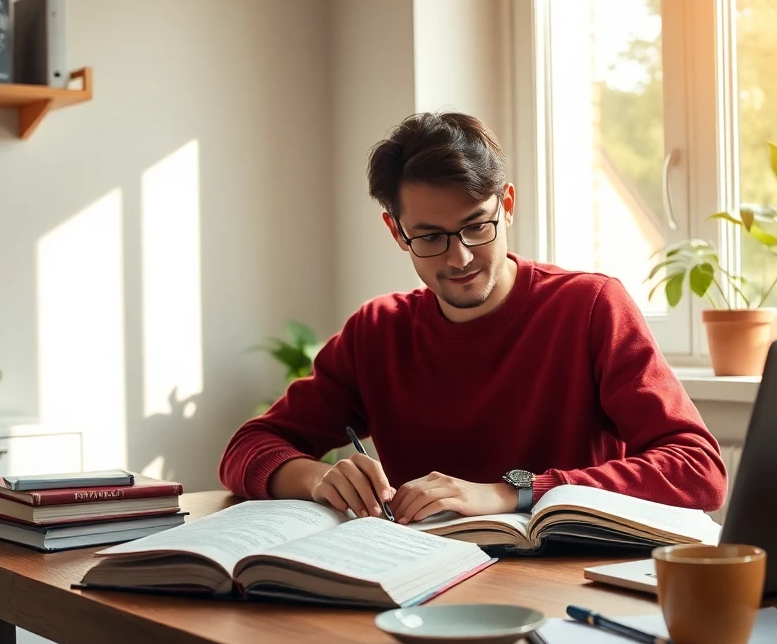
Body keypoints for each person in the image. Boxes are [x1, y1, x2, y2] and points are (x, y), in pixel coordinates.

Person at [220, 112, 725, 523]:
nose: (459, 257)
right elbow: (249, 446)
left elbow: (698, 469)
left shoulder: (590, 306)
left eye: (476, 226)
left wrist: (511, 492)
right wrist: (319, 478)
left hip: (566, 579)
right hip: (420, 581)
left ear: (507, 205)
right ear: (396, 232)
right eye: (430, 236)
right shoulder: (377, 331)